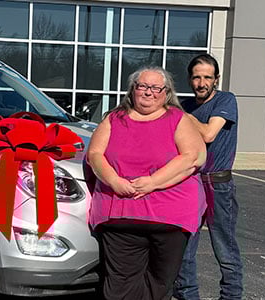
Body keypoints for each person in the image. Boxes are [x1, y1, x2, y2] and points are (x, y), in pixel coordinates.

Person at [87, 66, 207, 300]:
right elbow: (95, 155)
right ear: (133, 90)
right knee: (120, 284)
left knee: (160, 282)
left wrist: (153, 182)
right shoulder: (114, 118)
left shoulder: (177, 118)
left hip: (170, 218)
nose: (148, 92)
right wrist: (114, 180)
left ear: (166, 92)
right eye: (142, 86)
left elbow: (192, 156)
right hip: (121, 215)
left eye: (155, 88)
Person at [173, 54, 242, 299]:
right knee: (184, 248)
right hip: (190, 184)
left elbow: (209, 134)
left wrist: (179, 114)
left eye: (207, 77)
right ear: (190, 79)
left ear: (216, 79)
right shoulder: (185, 105)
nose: (201, 83)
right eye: (196, 77)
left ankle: (231, 296)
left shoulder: (225, 100)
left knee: (224, 247)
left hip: (218, 185)